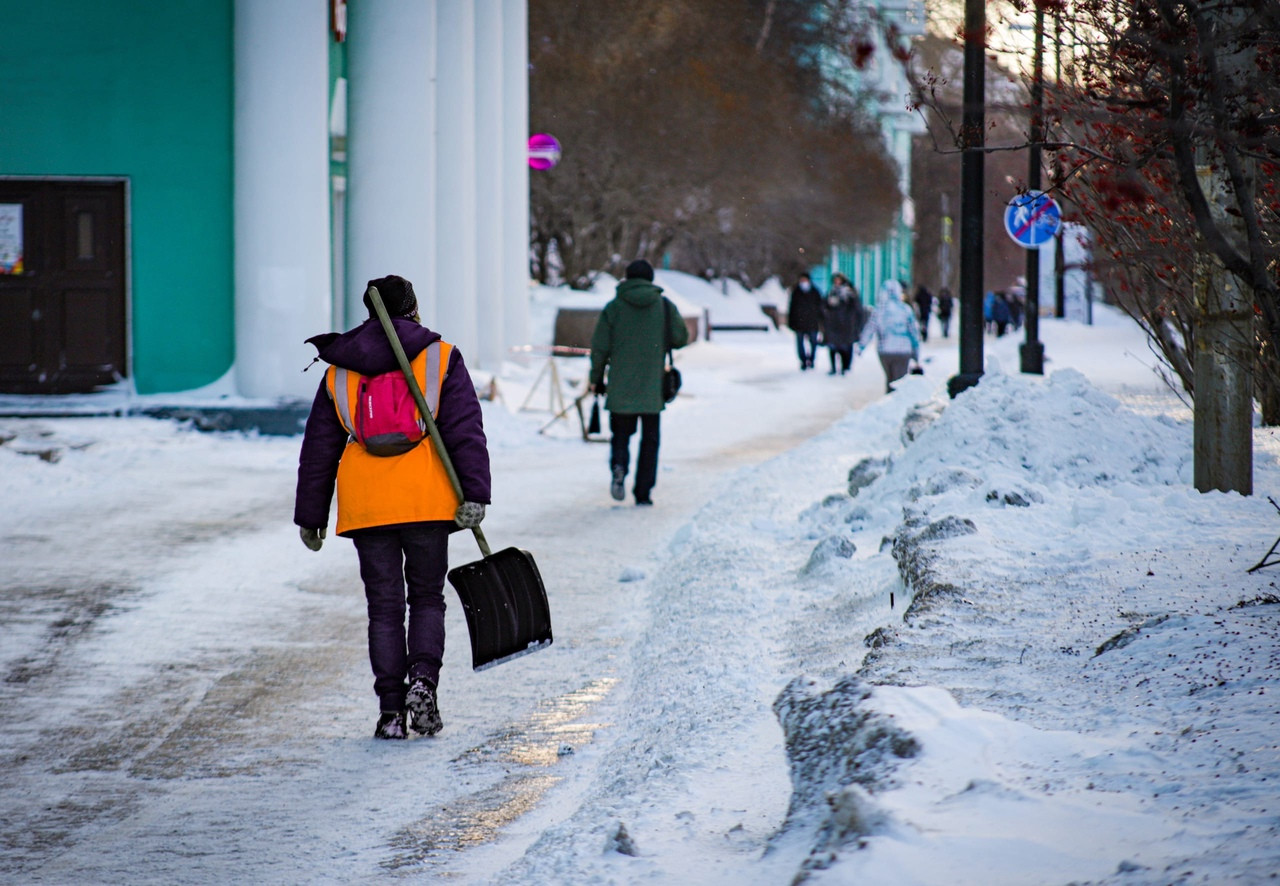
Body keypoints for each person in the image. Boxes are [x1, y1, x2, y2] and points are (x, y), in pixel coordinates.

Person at [294, 275, 491, 741]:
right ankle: (423, 681)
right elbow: (465, 429)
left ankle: (389, 712)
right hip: (426, 497)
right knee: (426, 597)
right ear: (414, 307)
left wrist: (311, 516)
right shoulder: (440, 357)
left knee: (383, 608)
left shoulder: (339, 370)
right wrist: (475, 494)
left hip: (369, 504)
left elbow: (320, 447)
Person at [589, 259, 689, 506]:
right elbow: (681, 337)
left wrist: (596, 379)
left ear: (627, 278)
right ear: (651, 279)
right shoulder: (664, 306)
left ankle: (619, 467)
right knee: (650, 440)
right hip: (652, 387)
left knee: (621, 434)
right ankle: (643, 491)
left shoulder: (614, 307)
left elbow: (600, 348)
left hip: (620, 386)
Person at [858, 279, 921, 394]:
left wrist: (862, 346)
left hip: (885, 350)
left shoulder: (879, 311)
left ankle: (889, 400)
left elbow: (869, 329)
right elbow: (914, 333)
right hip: (903, 351)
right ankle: (895, 404)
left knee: (890, 378)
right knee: (900, 381)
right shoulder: (905, 310)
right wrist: (916, 353)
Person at [822, 273, 863, 375]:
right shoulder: (831, 292)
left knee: (845, 348)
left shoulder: (850, 293)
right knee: (832, 347)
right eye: (835, 280)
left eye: (839, 280)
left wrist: (852, 321)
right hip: (833, 324)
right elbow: (824, 306)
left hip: (846, 325)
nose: (837, 282)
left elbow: (857, 309)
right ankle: (833, 367)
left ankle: (845, 367)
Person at [786, 273, 824, 371]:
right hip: (799, 323)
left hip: (812, 323)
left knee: (813, 343)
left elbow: (820, 308)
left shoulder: (815, 292)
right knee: (800, 344)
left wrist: (821, 321)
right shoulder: (796, 292)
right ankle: (803, 360)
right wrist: (791, 322)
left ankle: (811, 359)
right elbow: (792, 308)